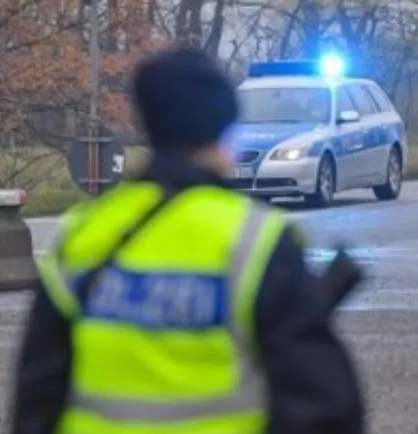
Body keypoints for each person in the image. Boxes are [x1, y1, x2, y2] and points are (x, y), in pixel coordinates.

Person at [12, 48, 365, 434]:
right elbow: (324, 404)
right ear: (225, 130)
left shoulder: (83, 232)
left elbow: (37, 389)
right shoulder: (254, 239)